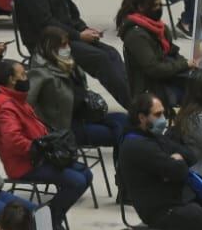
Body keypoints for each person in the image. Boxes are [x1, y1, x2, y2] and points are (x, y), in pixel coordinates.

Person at [0, 59, 91, 230]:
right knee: (76, 181)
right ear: (10, 80)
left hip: (38, 156)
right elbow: (13, 140)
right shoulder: (6, 106)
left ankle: (52, 220)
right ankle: (47, 222)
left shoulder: (15, 98)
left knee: (85, 174)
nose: (26, 78)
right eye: (22, 75)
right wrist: (38, 148)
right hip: (25, 163)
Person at [16, 0, 130, 104]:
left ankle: (133, 96)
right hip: (47, 42)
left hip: (66, 35)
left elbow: (71, 12)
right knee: (101, 59)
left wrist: (83, 28)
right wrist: (78, 35)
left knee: (111, 52)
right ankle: (132, 104)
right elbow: (46, 23)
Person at [120, 91, 202, 230]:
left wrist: (175, 163)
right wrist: (175, 164)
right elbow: (178, 171)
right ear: (141, 117)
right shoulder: (136, 145)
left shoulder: (152, 136)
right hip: (162, 209)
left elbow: (189, 156)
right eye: (158, 114)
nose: (163, 118)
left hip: (181, 198)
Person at [28, 26, 128, 166]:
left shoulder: (69, 64)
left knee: (128, 121)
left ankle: (123, 170)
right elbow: (26, 106)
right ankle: (124, 174)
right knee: (121, 132)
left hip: (85, 116)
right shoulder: (40, 73)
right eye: (63, 45)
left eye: (68, 43)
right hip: (66, 127)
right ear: (50, 47)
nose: (68, 48)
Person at [117, 0, 194, 108]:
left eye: (160, 5)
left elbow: (172, 52)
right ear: (141, 7)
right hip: (153, 88)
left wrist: (185, 64)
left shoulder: (158, 27)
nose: (159, 9)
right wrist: (184, 65)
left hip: (168, 77)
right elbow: (154, 69)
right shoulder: (136, 35)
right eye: (154, 6)